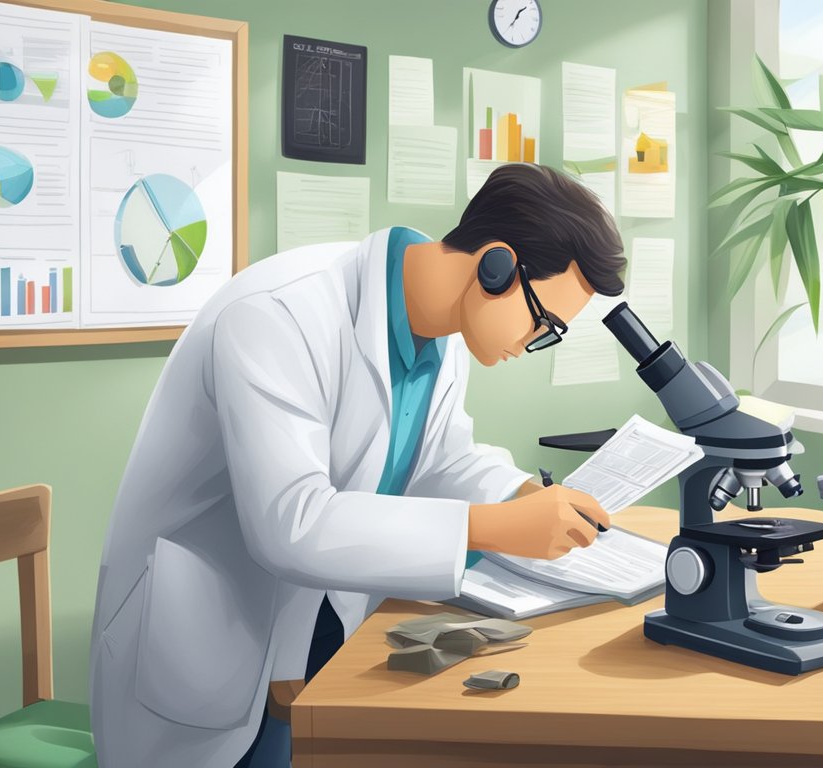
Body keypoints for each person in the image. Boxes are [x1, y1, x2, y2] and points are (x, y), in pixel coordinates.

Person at [88, 164, 628, 767]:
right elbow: (290, 522)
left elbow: (440, 459)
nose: (533, 342)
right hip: (208, 630)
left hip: (314, 625)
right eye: (543, 322)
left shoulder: (446, 334)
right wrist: (492, 527)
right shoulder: (278, 314)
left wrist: (519, 493)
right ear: (495, 267)